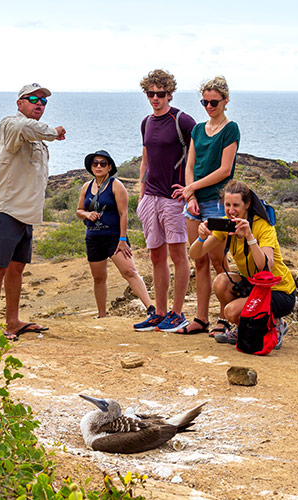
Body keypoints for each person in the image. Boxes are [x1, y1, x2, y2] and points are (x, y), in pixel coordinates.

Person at [0, 83, 66, 340]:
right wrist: (54, 131)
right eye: (33, 99)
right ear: (20, 103)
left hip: (24, 212)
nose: (39, 103)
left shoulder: (35, 135)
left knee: (17, 267)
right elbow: (23, 128)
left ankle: (13, 321)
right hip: (4, 208)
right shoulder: (11, 124)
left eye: (43, 101)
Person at [189, 180, 295, 347]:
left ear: (247, 204)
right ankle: (243, 328)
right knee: (221, 282)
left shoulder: (263, 226)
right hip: (253, 284)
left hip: (278, 290)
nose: (231, 211)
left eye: (236, 205)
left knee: (230, 312)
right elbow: (195, 254)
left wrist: (250, 237)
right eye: (227, 205)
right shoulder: (226, 224)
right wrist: (201, 237)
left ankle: (276, 324)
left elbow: (266, 267)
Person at [172, 76, 239, 335]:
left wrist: (192, 189)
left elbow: (224, 170)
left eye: (214, 102)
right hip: (195, 202)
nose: (209, 106)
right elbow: (190, 165)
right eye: (205, 102)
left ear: (225, 101)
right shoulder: (198, 130)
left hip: (217, 203)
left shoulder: (231, 129)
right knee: (198, 259)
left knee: (219, 260)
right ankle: (201, 319)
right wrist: (190, 196)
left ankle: (226, 317)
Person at [133, 69, 197, 333]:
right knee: (155, 256)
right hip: (151, 197)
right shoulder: (146, 122)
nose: (156, 98)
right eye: (151, 93)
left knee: (178, 254)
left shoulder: (183, 120)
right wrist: (141, 190)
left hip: (173, 199)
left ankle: (177, 312)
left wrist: (190, 188)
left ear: (170, 93)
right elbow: (146, 157)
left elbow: (198, 153)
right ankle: (159, 313)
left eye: (161, 93)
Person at [76, 150, 154, 318]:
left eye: (103, 163)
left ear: (109, 167)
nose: (98, 166)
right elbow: (79, 210)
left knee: (130, 272)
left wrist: (123, 239)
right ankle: (102, 315)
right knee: (98, 278)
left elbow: (123, 214)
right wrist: (87, 214)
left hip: (114, 238)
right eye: (95, 163)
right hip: (93, 239)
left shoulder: (115, 185)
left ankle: (151, 309)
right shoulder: (86, 187)